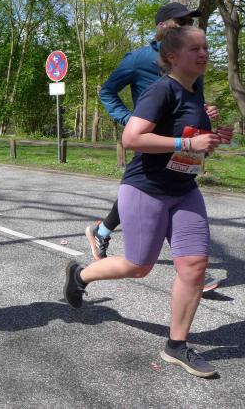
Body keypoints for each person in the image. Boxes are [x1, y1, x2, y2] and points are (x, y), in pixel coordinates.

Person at [64, 24, 233, 378]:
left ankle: (176, 345)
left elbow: (191, 143)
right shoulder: (161, 90)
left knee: (194, 266)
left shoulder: (195, 91)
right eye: (195, 49)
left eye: (206, 48)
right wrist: (187, 144)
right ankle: (80, 275)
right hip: (147, 189)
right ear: (172, 56)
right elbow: (132, 138)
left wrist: (212, 140)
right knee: (139, 266)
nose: (204, 54)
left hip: (184, 189)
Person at [86, 2, 221, 292]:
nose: (186, 26)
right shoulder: (138, 59)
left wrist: (202, 111)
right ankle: (103, 235)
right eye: (180, 21)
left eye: (189, 22)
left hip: (184, 149)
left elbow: (191, 99)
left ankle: (191, 265)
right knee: (149, 187)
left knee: (172, 187)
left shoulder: (191, 60)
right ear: (162, 27)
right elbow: (107, 92)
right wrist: (129, 120)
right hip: (152, 138)